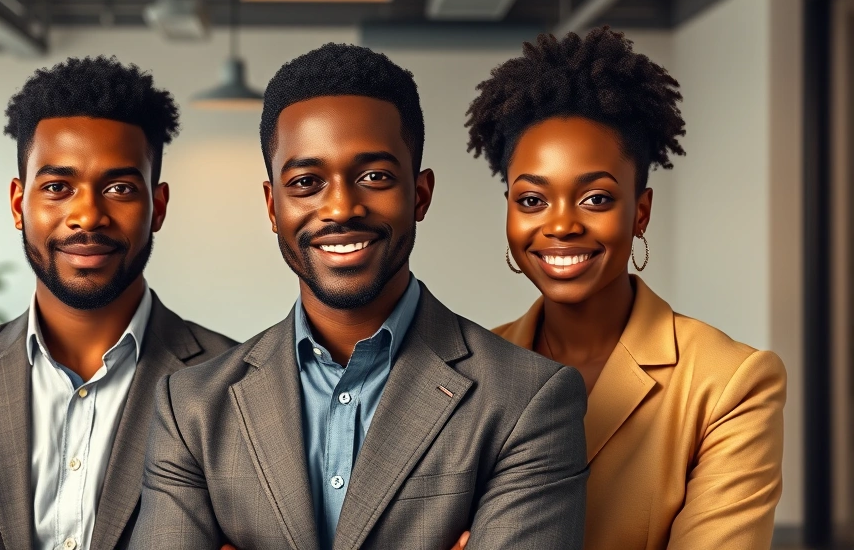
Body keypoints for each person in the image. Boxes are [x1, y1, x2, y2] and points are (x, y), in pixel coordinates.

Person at [129, 43, 588, 550]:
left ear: (420, 194)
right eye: (306, 182)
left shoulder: (527, 400)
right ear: (272, 206)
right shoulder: (191, 407)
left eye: (374, 176)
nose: (341, 207)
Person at [0, 56, 236, 550]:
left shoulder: (235, 385)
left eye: (120, 188)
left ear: (157, 206)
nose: (87, 215)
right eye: (58, 187)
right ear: (19, 204)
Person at [464, 27, 786, 549]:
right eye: (531, 200)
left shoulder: (728, 383)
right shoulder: (468, 371)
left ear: (640, 213)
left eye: (595, 198)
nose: (561, 225)